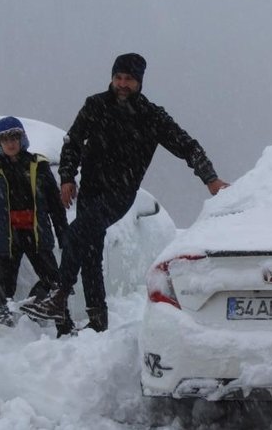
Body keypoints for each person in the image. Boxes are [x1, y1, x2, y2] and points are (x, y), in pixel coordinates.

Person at [21, 53, 228, 331]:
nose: (122, 84)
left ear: (140, 82)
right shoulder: (95, 105)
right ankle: (97, 321)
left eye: (128, 79)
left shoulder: (151, 116)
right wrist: (67, 177)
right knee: (89, 253)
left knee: (76, 234)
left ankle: (58, 294)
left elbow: (187, 146)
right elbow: (72, 142)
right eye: (118, 77)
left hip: (119, 193)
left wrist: (211, 179)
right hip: (91, 190)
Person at [0, 116, 73, 336]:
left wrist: (64, 233)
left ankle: (62, 324)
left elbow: (55, 205)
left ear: (22, 138)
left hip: (36, 234)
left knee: (54, 281)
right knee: (4, 285)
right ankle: (2, 325)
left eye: (14, 137)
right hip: (6, 237)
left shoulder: (38, 165)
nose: (10, 143)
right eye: (4, 139)